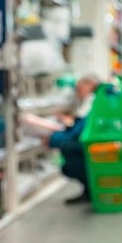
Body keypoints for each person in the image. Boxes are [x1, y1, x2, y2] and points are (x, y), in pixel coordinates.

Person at [47, 75, 100, 205]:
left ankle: (91, 189)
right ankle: (91, 190)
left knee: (67, 150)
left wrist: (52, 138)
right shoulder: (99, 100)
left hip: (95, 148)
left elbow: (78, 133)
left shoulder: (92, 102)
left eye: (79, 89)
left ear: (90, 86)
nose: (77, 92)